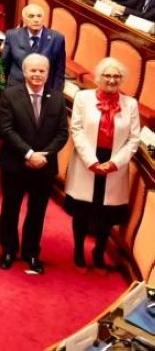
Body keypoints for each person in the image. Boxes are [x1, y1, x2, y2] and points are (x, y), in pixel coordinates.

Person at [65, 57, 141, 270]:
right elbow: (76, 129)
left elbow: (134, 139)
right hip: (87, 160)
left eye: (116, 76)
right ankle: (79, 250)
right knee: (83, 209)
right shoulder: (83, 98)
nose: (111, 79)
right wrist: (91, 160)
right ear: (99, 77)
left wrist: (115, 163)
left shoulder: (130, 104)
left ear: (122, 79)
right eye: (107, 75)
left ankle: (99, 252)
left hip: (115, 163)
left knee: (106, 213)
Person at [0, 53, 68, 275]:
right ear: (25, 72)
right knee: (11, 208)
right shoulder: (9, 95)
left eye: (42, 71)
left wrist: (43, 155)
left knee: (37, 211)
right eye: (33, 70)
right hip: (15, 163)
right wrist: (29, 154)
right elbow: (6, 129)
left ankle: (32, 252)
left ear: (48, 73)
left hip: (44, 166)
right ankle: (8, 250)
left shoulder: (57, 97)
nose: (37, 74)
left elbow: (63, 133)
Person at [1, 3, 66, 92]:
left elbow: (59, 72)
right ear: (24, 19)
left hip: (44, 90)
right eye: (31, 16)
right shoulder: (12, 35)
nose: (36, 20)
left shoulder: (57, 38)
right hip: (16, 89)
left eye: (39, 16)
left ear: (43, 18)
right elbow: (4, 65)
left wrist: (56, 94)